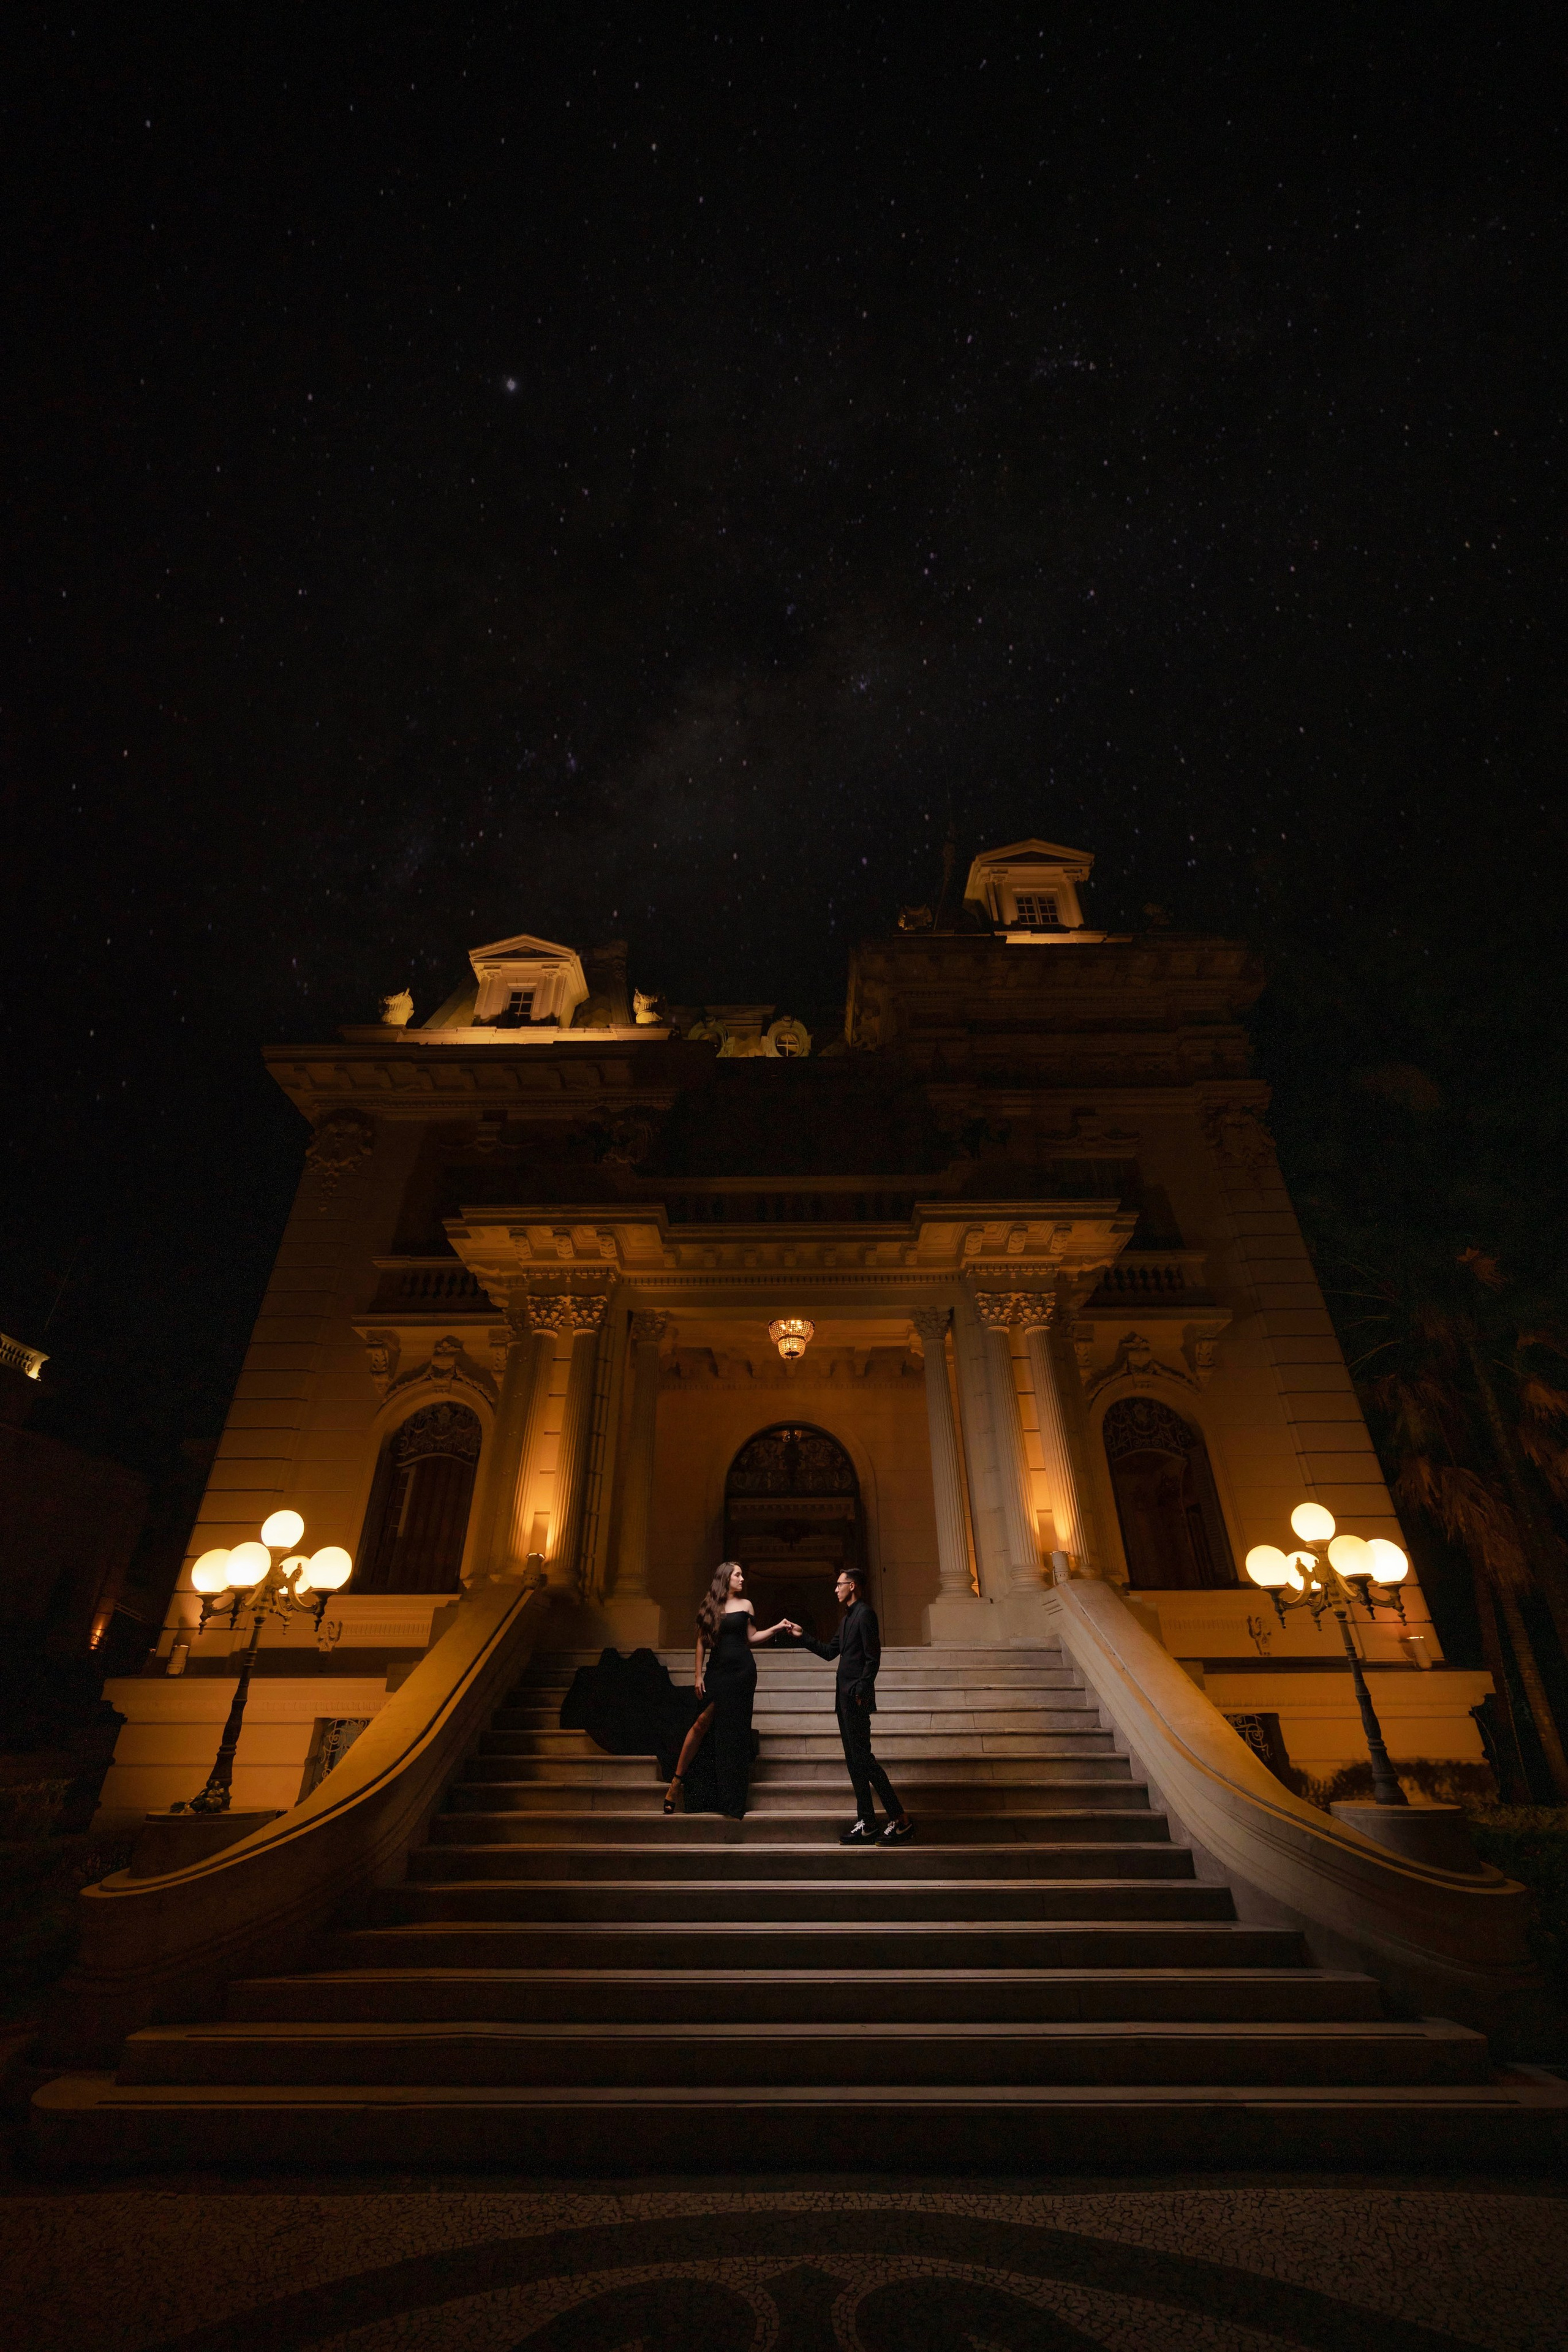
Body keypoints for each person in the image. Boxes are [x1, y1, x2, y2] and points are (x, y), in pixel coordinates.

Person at [664, 1561, 799, 1819]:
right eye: (737, 1574)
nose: (742, 1579)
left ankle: (733, 1798)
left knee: (735, 1734)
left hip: (743, 1673)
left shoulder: (746, 1605)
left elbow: (751, 1637)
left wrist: (777, 1628)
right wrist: (697, 1675)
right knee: (700, 1725)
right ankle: (676, 1783)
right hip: (717, 1673)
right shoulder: (710, 1606)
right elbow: (701, 1643)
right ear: (725, 1578)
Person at [800, 1566, 914, 1845]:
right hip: (844, 1701)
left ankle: (901, 1821)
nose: (835, 1589)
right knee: (855, 1762)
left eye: (840, 1584)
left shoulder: (866, 1615)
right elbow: (830, 1653)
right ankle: (868, 1823)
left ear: (852, 1586)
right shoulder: (846, 1620)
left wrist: (861, 1689)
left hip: (857, 1698)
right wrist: (802, 1636)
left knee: (865, 1761)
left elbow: (873, 1658)